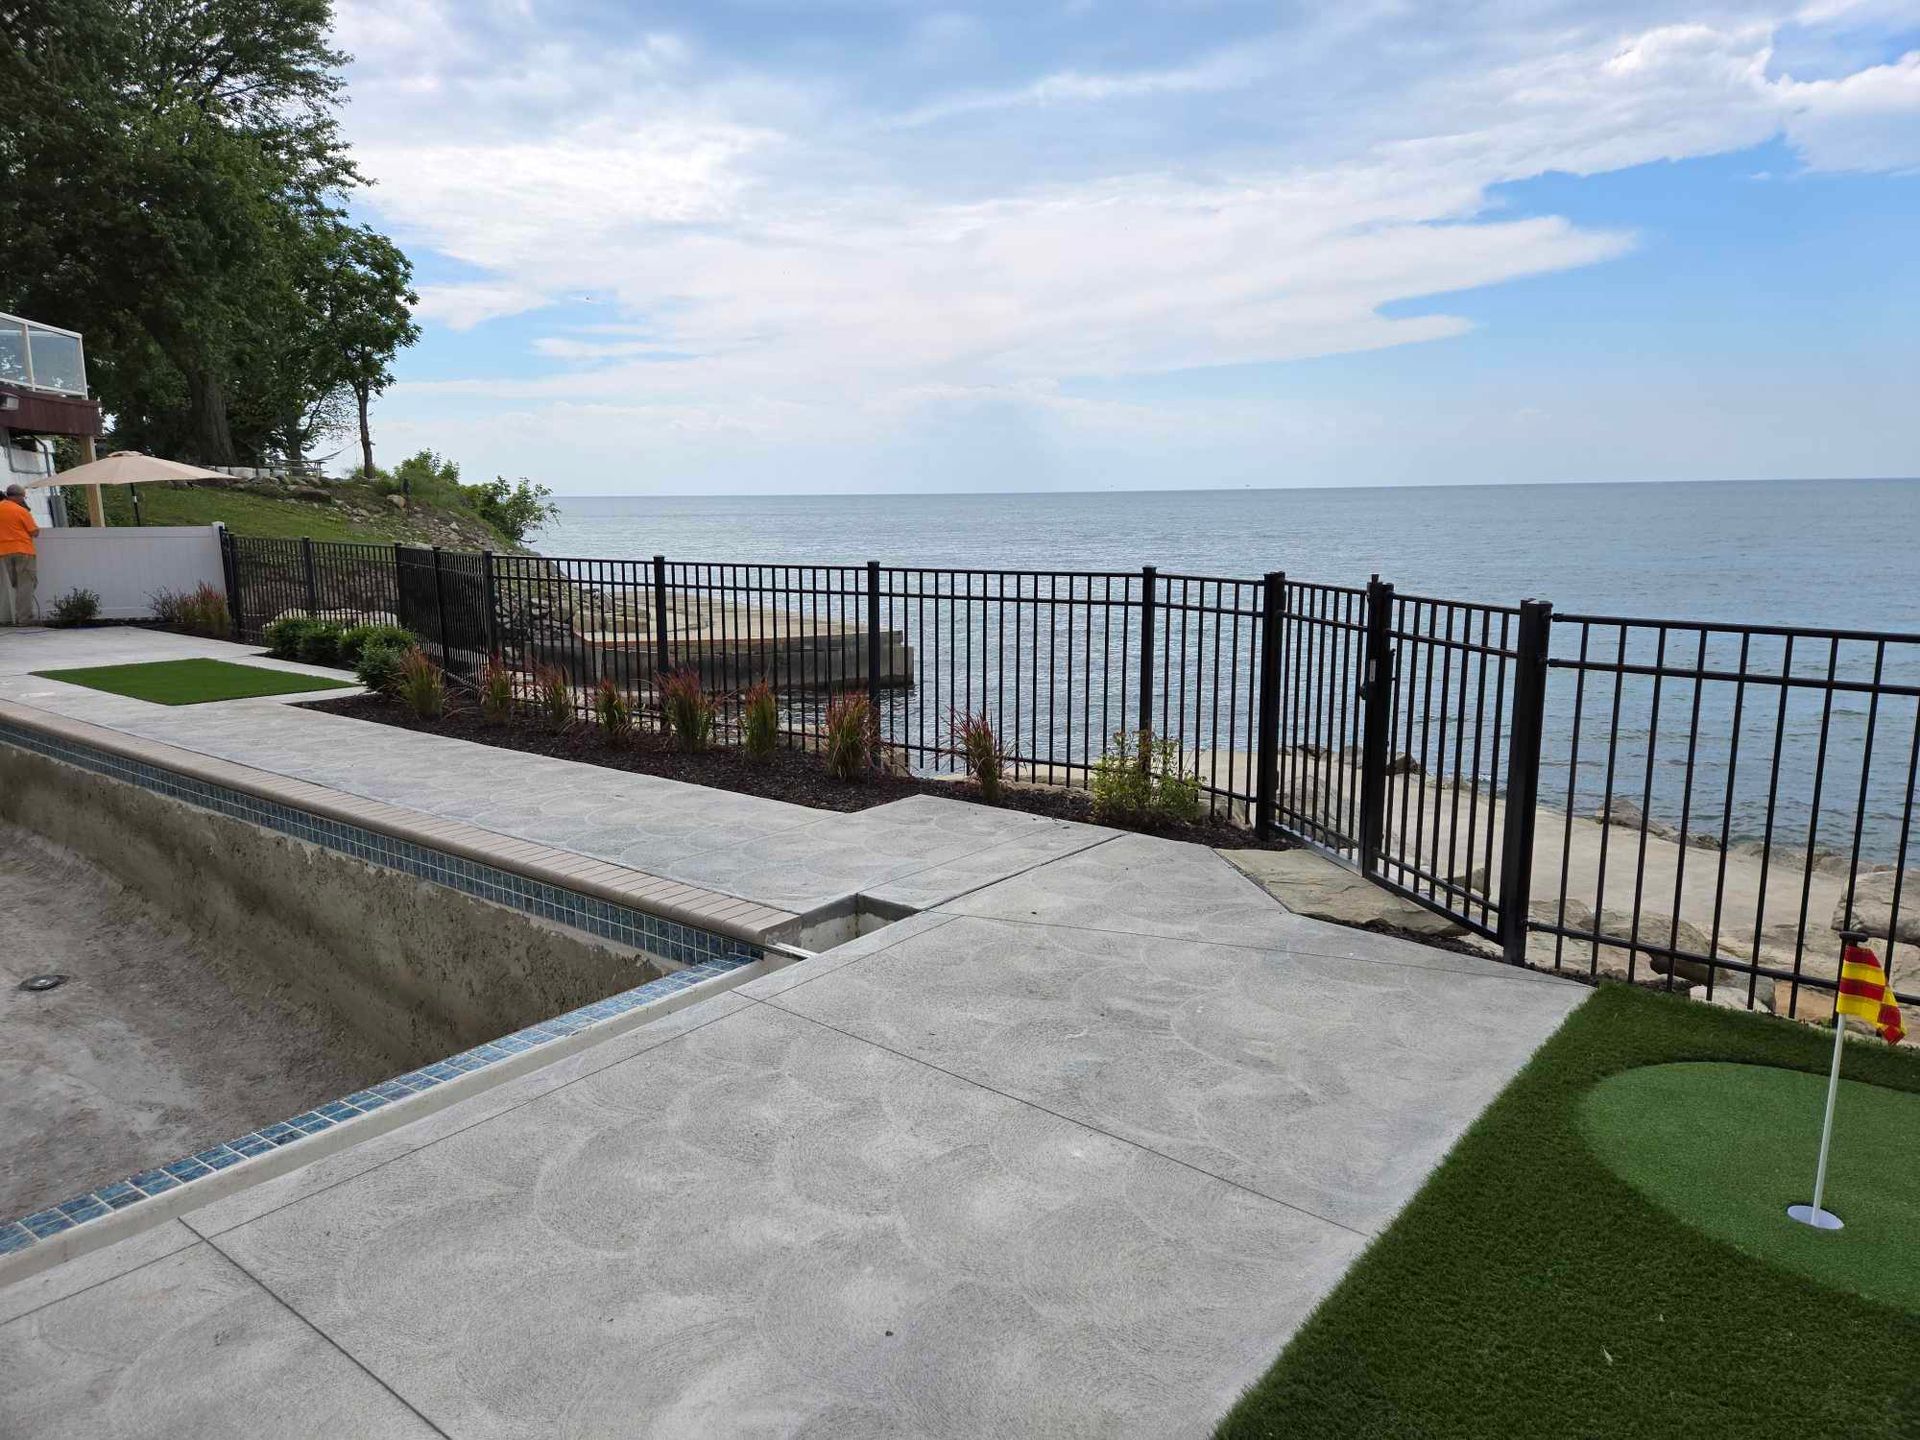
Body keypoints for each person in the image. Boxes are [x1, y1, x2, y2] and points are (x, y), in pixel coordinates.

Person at [0, 483, 40, 625]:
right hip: (23, 550)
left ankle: (17, 615)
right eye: (23, 497)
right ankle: (24, 619)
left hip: (4, 552)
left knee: (16, 584)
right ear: (17, 497)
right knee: (26, 584)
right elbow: (34, 532)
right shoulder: (21, 511)